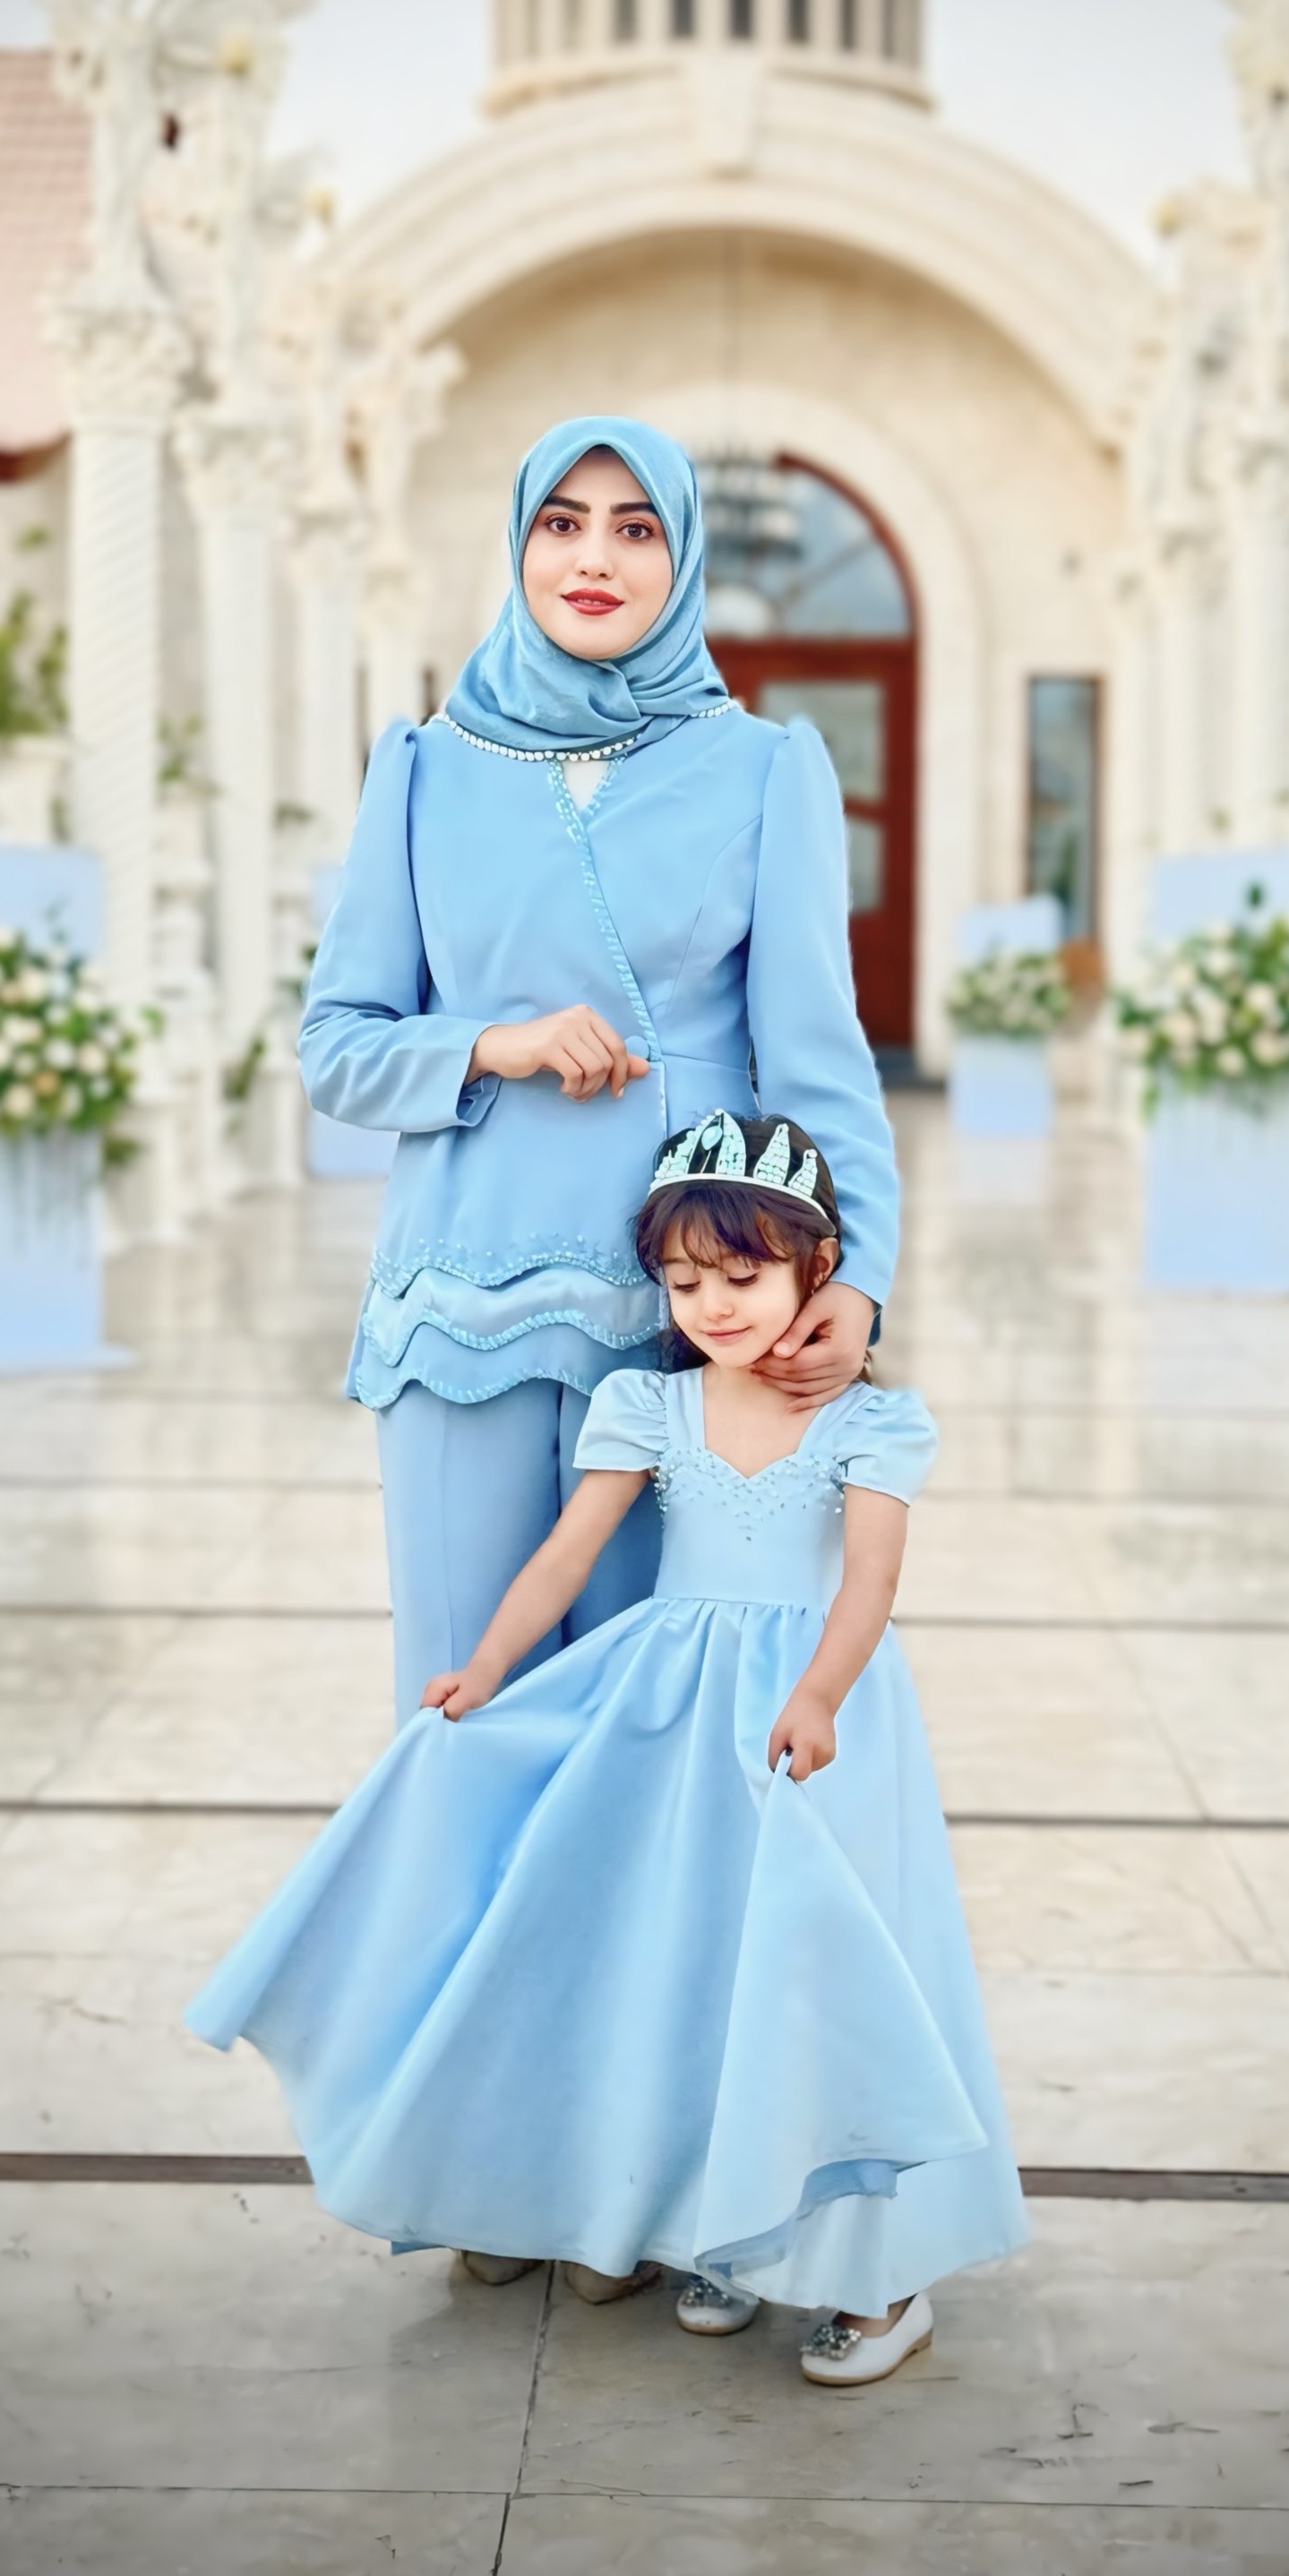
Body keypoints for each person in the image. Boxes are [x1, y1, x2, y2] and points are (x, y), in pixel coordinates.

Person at [186, 1112, 1026, 2387]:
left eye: (741, 1276)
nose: (712, 1306)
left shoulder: (873, 1424)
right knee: (700, 1958)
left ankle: (883, 2280)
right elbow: (568, 1554)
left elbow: (867, 1583)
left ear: (818, 1268)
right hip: (675, 1702)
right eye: (684, 1284)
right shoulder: (651, 1404)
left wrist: (818, 1694)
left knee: (824, 1964)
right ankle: (728, 2230)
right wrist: (487, 1666)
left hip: (813, 1715)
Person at [299, 416, 898, 1721]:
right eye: (560, 524)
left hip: (688, 1308)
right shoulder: (425, 769)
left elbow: (818, 1065)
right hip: (461, 1297)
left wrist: (857, 1280)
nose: (593, 559)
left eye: (635, 530)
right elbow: (335, 1047)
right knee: (460, 1692)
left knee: (651, 1706)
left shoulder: (763, 769)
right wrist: (491, 1044)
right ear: (518, 545)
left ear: (681, 559)